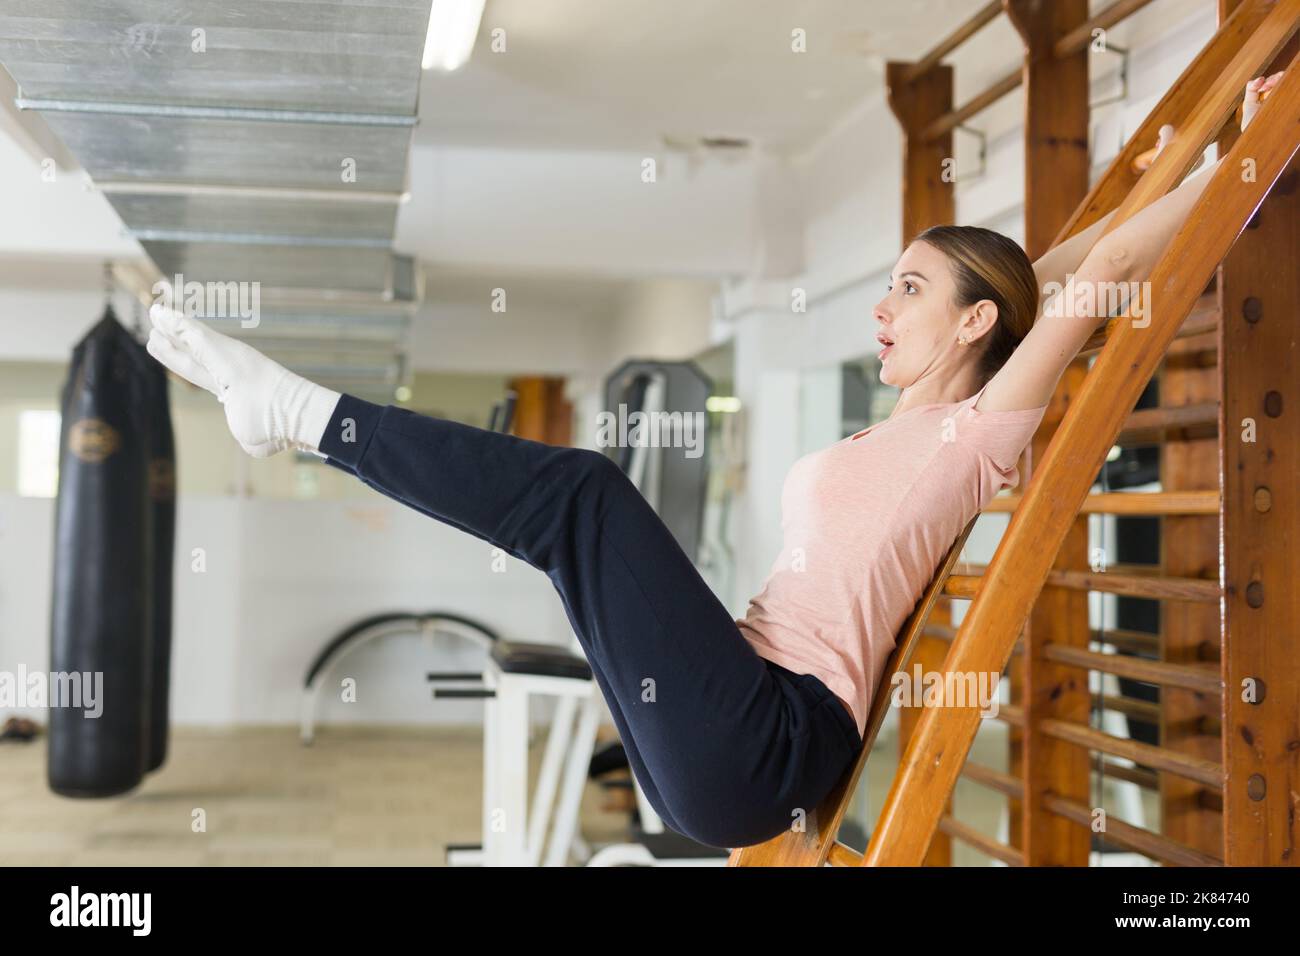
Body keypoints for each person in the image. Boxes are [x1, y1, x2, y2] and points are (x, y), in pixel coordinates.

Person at [145, 74, 1283, 850]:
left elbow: (1098, 272)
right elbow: (1049, 264)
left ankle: (296, 411)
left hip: (762, 738)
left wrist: (1248, 153)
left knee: (579, 496)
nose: (882, 308)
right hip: (722, 719)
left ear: (977, 326)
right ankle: (296, 414)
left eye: (907, 287)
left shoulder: (977, 432)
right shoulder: (903, 425)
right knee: (564, 523)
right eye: (887, 282)